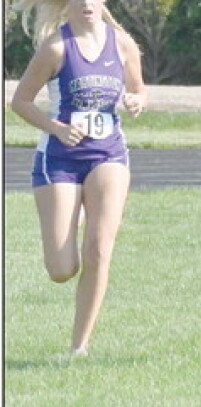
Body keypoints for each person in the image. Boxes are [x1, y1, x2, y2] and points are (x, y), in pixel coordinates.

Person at [11, 0, 147, 357]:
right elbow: (20, 101)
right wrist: (56, 127)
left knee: (99, 250)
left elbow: (138, 89)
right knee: (62, 268)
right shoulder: (56, 46)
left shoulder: (122, 43)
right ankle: (78, 209)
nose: (87, 4)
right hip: (59, 160)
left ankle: (78, 348)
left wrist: (136, 101)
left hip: (108, 154)